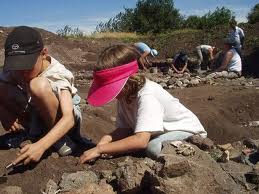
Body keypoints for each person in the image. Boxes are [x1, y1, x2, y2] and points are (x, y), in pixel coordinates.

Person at [79, 44, 207, 163]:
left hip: (187, 131)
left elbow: (141, 141)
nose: (112, 95)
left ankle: (198, 156)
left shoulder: (146, 95)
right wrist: (105, 142)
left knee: (153, 147)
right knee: (139, 141)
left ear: (128, 81)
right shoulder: (124, 95)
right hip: (161, 133)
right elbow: (125, 129)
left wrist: (100, 150)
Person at [0, 26, 92, 166]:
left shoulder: (57, 73)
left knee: (38, 85)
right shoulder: (17, 71)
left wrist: (41, 146)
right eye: (17, 66)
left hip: (63, 119)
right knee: (2, 87)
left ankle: (58, 138)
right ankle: (32, 132)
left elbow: (69, 118)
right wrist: (3, 112)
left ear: (43, 53)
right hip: (36, 111)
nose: (22, 73)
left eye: (27, 66)